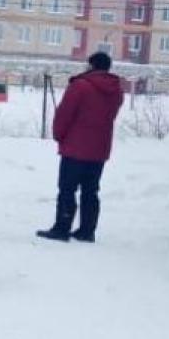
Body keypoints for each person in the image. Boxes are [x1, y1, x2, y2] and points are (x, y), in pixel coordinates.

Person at [36, 52, 124, 243]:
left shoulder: (80, 86)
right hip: (100, 148)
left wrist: (59, 135)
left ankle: (62, 228)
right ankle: (87, 230)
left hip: (75, 147)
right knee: (91, 191)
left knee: (67, 189)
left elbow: (64, 114)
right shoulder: (116, 90)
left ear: (91, 65)